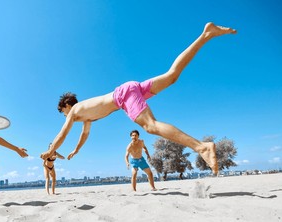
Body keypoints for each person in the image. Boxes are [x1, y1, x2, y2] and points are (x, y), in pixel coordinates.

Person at [41, 22, 237, 175]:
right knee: (172, 76)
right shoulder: (86, 116)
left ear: (67, 106)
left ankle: (201, 147)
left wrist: (50, 152)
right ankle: (206, 34)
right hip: (129, 89)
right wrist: (76, 150)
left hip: (123, 96)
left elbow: (61, 135)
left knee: (151, 126)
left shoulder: (75, 111)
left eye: (63, 111)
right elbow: (84, 135)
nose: (64, 115)